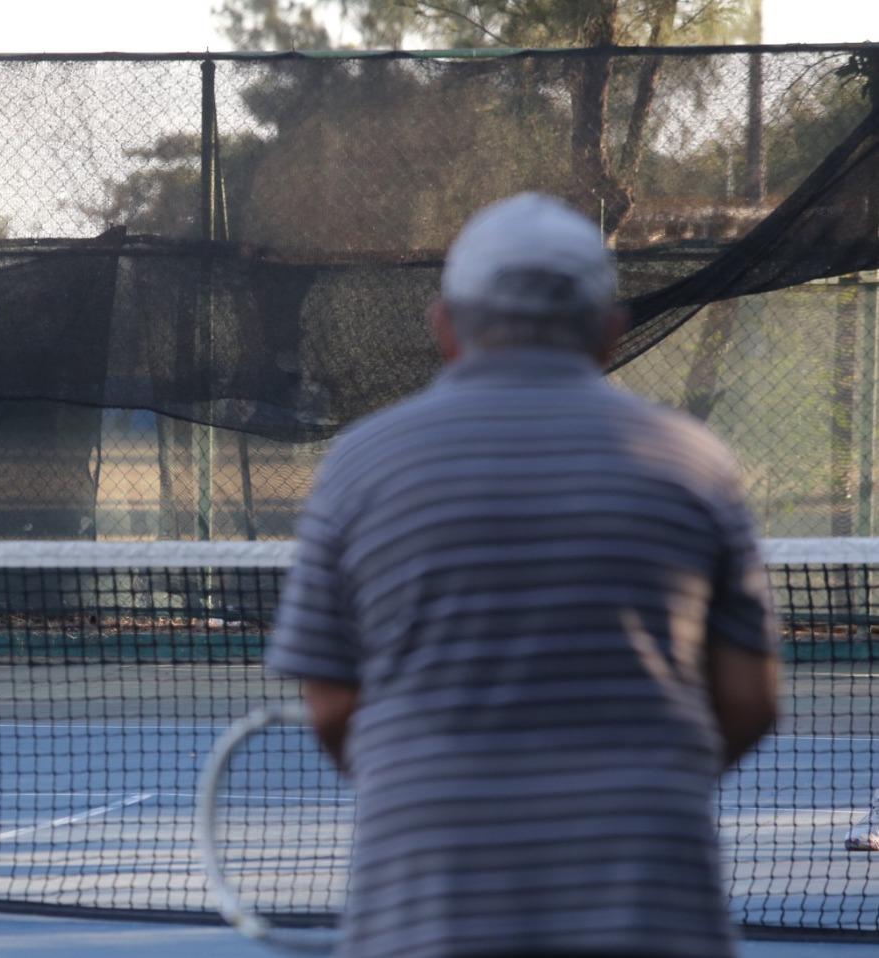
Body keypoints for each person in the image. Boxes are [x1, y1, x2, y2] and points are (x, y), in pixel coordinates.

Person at [266, 193, 781, 958]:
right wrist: (636, 785)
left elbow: (335, 707)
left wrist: (439, 784)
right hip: (654, 912)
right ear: (611, 332)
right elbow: (750, 701)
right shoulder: (695, 463)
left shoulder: (359, 465)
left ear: (445, 327)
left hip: (423, 917)